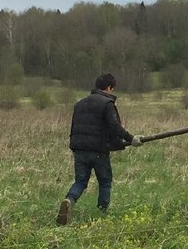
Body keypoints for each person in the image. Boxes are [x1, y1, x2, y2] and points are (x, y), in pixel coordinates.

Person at [57, 73, 141, 225]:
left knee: (81, 181)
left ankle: (69, 200)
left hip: (79, 149)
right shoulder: (107, 104)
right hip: (98, 151)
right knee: (105, 181)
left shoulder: (80, 104)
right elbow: (114, 127)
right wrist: (131, 139)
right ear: (109, 87)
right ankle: (102, 213)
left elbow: (75, 128)